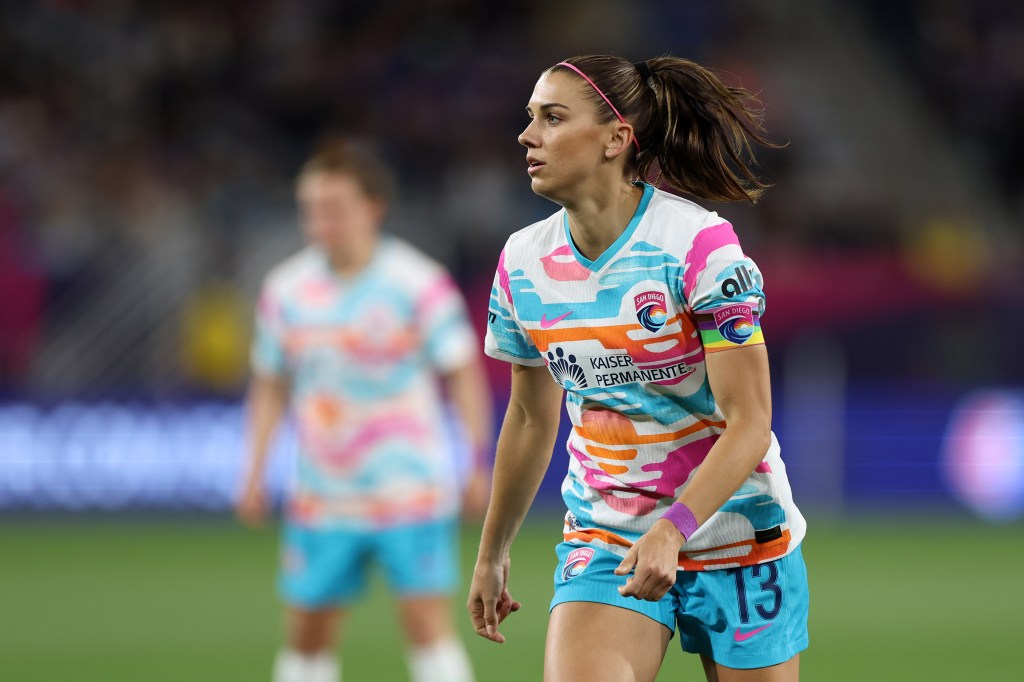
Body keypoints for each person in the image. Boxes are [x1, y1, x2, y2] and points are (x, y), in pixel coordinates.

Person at [468, 55, 808, 681]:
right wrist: (492, 553)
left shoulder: (699, 248)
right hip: (609, 536)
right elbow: (526, 417)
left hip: (736, 533)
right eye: (529, 118)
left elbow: (750, 423)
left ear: (616, 139)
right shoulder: (522, 262)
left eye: (552, 117)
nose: (527, 134)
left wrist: (675, 530)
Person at [237, 138, 492, 682]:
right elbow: (269, 386)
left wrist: (476, 460)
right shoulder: (286, 290)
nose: (321, 222)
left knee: (427, 624)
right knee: (307, 630)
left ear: (374, 206)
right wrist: (254, 468)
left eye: (335, 208)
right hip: (323, 493)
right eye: (311, 210)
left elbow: (463, 374)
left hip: (410, 489)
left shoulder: (418, 284)